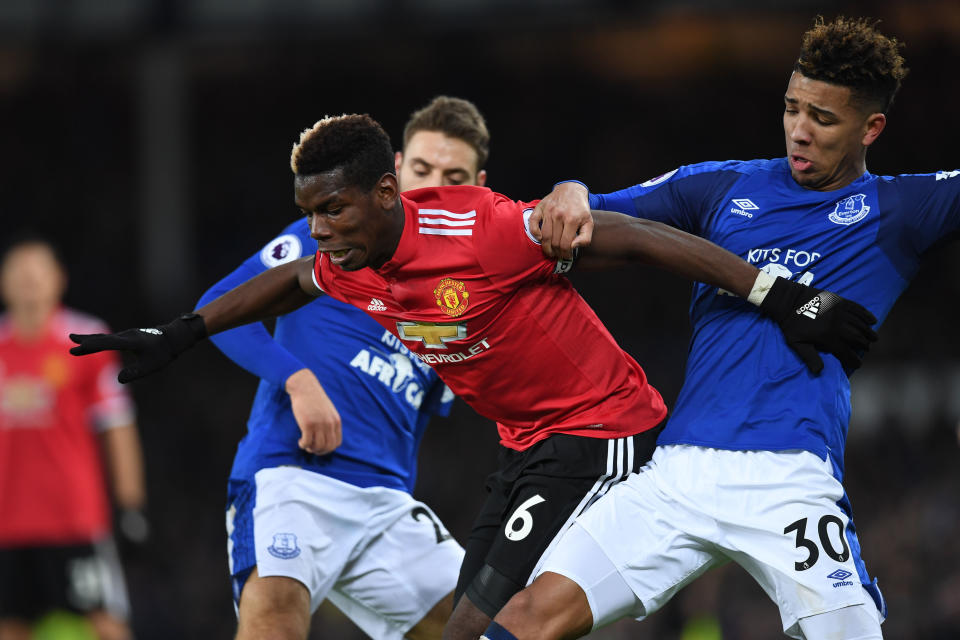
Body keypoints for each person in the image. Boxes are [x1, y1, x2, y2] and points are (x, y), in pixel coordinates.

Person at [67, 112, 876, 640]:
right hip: (525, 452)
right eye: (309, 213)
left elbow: (629, 236)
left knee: (493, 629)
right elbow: (287, 280)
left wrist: (778, 295)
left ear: (389, 194)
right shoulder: (350, 260)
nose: (319, 231)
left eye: (333, 212)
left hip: (602, 431)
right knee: (481, 627)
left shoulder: (477, 229)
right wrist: (182, 332)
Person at [486, 16, 954, 640]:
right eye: (792, 109)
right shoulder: (724, 186)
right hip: (678, 473)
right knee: (527, 619)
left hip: (789, 476)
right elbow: (584, 217)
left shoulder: (902, 210)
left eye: (823, 118)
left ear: (872, 128)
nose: (799, 131)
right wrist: (570, 187)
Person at [195, 96, 488, 640]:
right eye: (422, 169)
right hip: (294, 476)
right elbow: (220, 309)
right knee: (274, 621)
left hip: (386, 504)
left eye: (454, 176)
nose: (433, 184)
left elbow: (426, 412)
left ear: (477, 186)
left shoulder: (465, 295)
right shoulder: (330, 232)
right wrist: (298, 380)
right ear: (395, 172)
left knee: (491, 628)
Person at [0, 236, 147, 640]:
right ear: (4, 283)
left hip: (73, 519)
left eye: (37, 272)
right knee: (10, 628)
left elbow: (117, 426)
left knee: (105, 623)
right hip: (7, 523)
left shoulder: (86, 340)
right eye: (18, 273)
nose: (28, 281)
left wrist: (130, 504)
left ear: (58, 279)